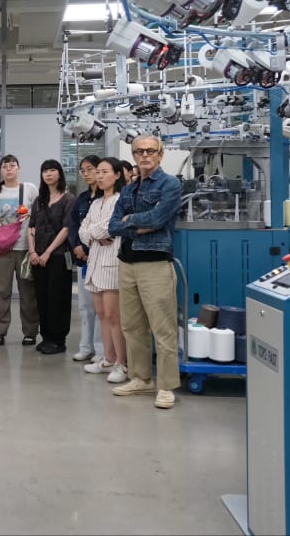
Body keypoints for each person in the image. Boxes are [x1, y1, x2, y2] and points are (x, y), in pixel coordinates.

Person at [108, 136, 183, 409]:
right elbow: (113, 226)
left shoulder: (170, 184)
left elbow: (158, 219)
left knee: (162, 328)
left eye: (150, 150)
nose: (145, 155)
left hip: (155, 263)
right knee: (132, 326)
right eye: (139, 151)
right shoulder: (128, 190)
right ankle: (141, 378)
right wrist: (137, 223)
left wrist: (132, 220)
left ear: (160, 155)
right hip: (127, 263)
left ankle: (166, 385)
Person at [79, 157, 128, 383]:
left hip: (112, 263)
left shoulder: (120, 200)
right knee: (101, 315)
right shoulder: (96, 203)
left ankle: (122, 363)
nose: (99, 176)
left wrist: (96, 232)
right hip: (95, 261)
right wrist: (96, 234)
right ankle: (107, 358)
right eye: (97, 172)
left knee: (113, 316)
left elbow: (111, 226)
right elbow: (83, 231)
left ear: (117, 175)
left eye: (104, 171)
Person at [0, 154, 39, 346]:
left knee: (28, 292)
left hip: (25, 248)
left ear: (19, 168)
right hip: (0, 250)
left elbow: (37, 218)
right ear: (1, 170)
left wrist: (35, 247)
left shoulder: (30, 189)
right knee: (0, 292)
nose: (9, 169)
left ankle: (30, 332)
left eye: (12, 165)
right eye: (5, 166)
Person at [27, 159, 75, 354]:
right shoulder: (39, 200)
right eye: (45, 171)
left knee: (58, 298)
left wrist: (47, 252)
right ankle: (46, 336)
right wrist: (32, 251)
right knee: (42, 298)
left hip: (58, 256)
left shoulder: (68, 199)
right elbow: (31, 227)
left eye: (52, 170)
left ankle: (58, 339)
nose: (48, 174)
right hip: (37, 256)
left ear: (59, 174)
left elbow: (66, 229)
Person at [69, 155, 102, 363]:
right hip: (82, 259)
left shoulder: (107, 197)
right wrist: (78, 247)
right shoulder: (80, 199)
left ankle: (100, 350)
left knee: (101, 309)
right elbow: (73, 225)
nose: (87, 173)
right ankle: (85, 346)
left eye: (90, 169)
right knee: (85, 306)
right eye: (83, 170)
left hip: (100, 259)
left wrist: (91, 249)